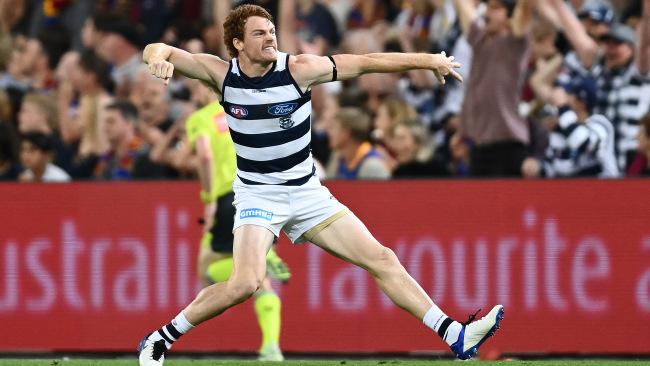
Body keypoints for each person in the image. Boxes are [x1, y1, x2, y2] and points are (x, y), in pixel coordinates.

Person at [138, 5, 503, 365]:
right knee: (245, 284)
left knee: (382, 259)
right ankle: (159, 339)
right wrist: (158, 59)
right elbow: (158, 49)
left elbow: (365, 62)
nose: (270, 39)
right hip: (258, 194)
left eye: (272, 32)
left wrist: (428, 60)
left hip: (307, 192)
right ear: (237, 43)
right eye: (259, 34)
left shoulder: (299, 69)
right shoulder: (220, 75)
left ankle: (453, 333)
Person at [185, 98, 291, 361]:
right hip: (262, 190)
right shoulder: (250, 109)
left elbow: (205, 154)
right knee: (258, 279)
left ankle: (266, 258)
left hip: (228, 196)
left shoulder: (202, 118)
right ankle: (271, 347)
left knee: (207, 270)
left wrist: (209, 199)